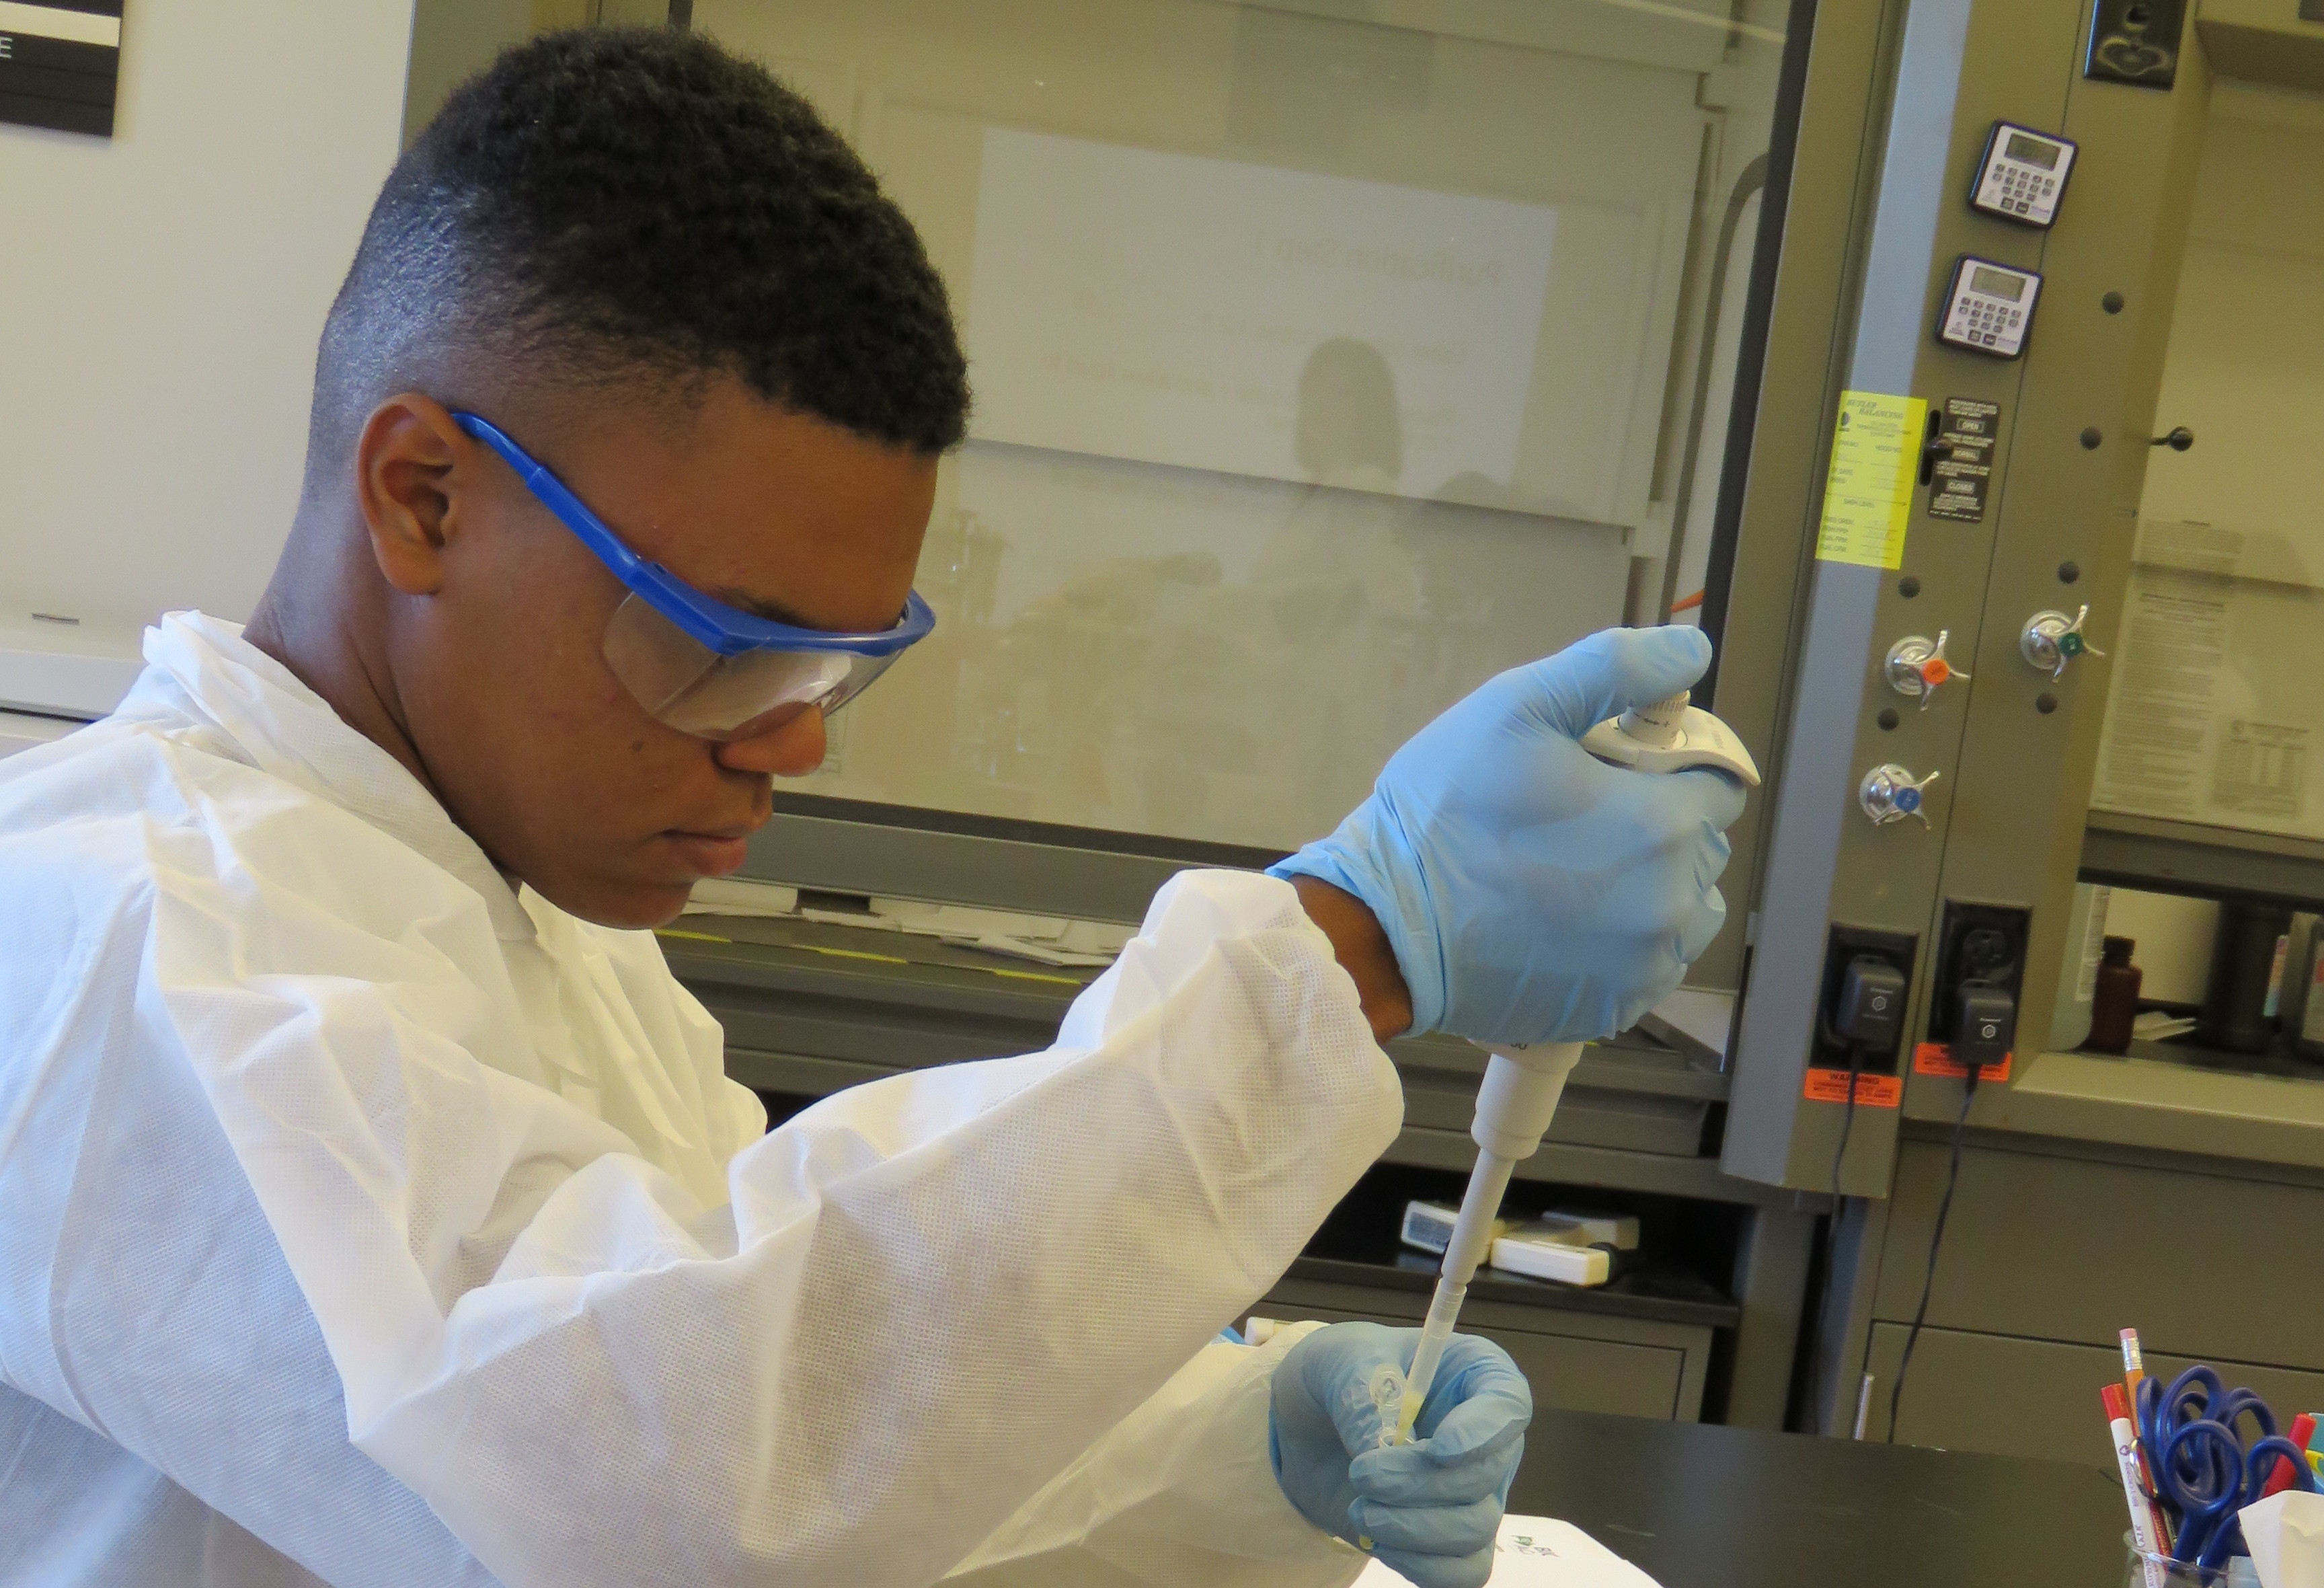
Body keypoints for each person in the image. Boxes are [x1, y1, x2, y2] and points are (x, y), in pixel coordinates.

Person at [0, 29, 1746, 1588]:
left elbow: (820, 1426)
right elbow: (638, 1501)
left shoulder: (536, 922)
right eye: (726, 645)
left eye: (840, 664)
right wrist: (1346, 947)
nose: (795, 742)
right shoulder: (122, 932)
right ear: (424, 497)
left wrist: (1235, 1449)